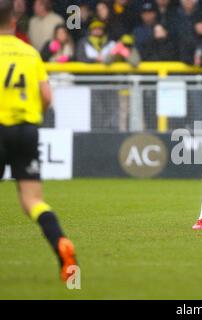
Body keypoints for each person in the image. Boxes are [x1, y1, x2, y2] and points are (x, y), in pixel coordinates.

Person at [0, 0, 77, 282]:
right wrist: (32, 117)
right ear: (14, 22)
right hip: (26, 131)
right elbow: (47, 97)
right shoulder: (30, 53)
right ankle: (60, 243)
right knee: (33, 200)